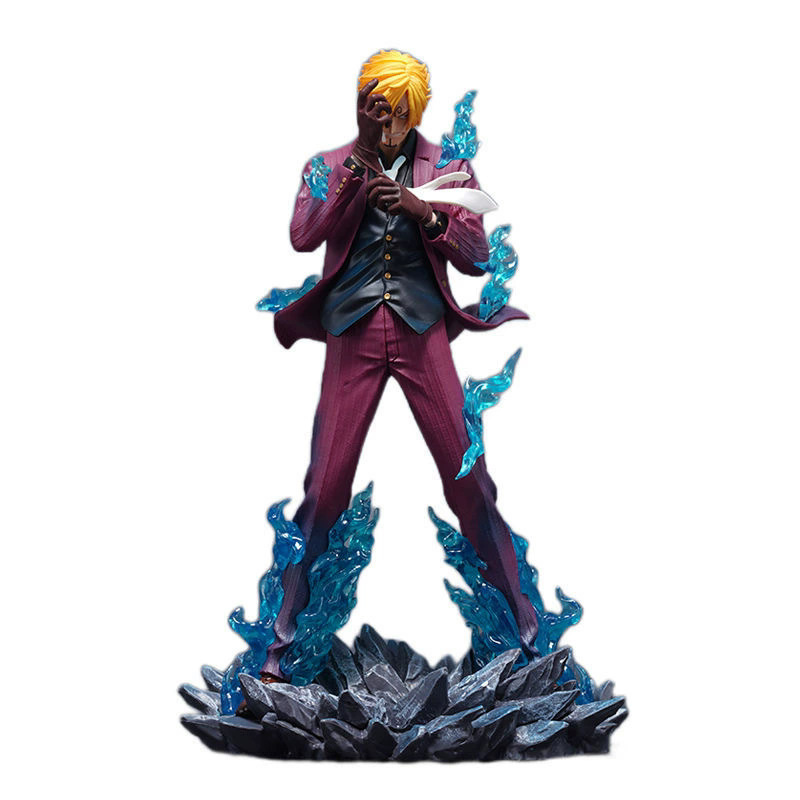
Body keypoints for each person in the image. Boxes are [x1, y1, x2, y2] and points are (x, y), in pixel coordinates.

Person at [263, 50, 538, 681]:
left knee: (470, 482)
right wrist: (358, 166)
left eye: (397, 112)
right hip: (352, 332)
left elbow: (477, 256)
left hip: (421, 332)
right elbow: (304, 236)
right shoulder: (327, 165)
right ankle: (278, 652)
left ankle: (525, 639)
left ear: (415, 111)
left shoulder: (447, 167)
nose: (387, 122)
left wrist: (426, 212)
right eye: (377, 107)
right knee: (324, 489)